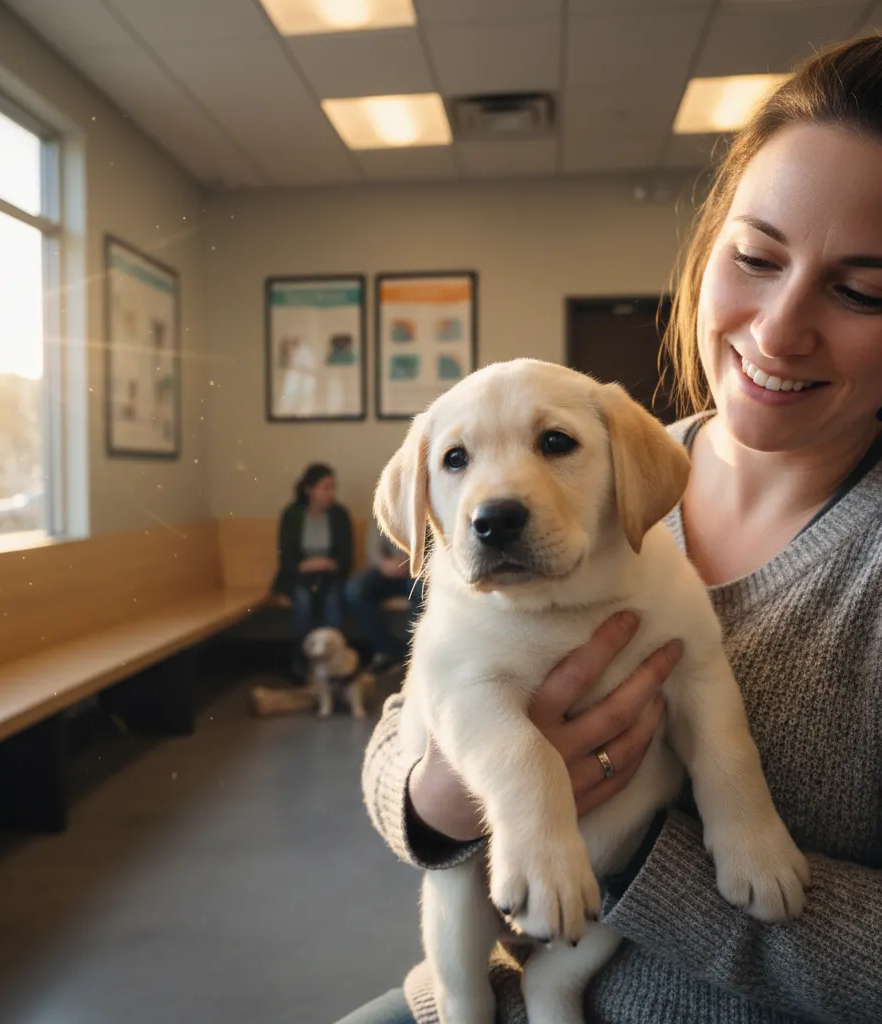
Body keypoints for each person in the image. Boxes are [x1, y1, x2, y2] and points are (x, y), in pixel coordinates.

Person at [347, 35, 882, 1024]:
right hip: (469, 991)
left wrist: (635, 852)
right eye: (755, 257)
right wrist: (445, 798)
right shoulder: (632, 455)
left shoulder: (623, 457)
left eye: (862, 289)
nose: (775, 331)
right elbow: (409, 732)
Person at [273, 463, 353, 680]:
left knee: (333, 600)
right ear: (309, 489)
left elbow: (346, 558)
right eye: (324, 487)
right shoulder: (292, 515)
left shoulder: (339, 515)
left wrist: (328, 564)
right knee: (302, 600)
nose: (330, 493)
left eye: (333, 487)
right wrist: (308, 565)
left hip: (331, 576)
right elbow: (286, 559)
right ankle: (302, 662)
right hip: (298, 577)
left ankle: (334, 665)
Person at [345, 519, 425, 672]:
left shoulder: (423, 511)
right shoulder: (381, 511)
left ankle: (418, 654)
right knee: (356, 589)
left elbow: (429, 548)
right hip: (384, 571)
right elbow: (373, 552)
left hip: (415, 569)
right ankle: (386, 651)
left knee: (421, 589)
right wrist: (385, 564)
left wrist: (407, 562)